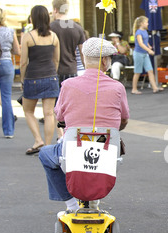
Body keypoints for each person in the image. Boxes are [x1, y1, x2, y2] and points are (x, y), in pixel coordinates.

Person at [39, 37, 130, 212]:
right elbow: (124, 119)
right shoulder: (117, 88)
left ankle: (71, 205)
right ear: (105, 61)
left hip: (74, 149)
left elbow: (59, 114)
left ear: (83, 57)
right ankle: (93, 202)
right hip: (107, 151)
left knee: (45, 154)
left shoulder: (68, 85)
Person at [20, 5, 60, 155]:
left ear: (33, 18)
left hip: (33, 77)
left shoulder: (28, 37)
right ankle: (48, 146)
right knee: (49, 113)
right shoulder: (54, 36)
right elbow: (56, 60)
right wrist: (52, 74)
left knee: (28, 110)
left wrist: (23, 79)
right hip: (50, 76)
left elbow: (23, 62)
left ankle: (38, 140)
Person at [0, 8, 20, 138]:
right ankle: (9, 131)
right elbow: (17, 50)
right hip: (6, 64)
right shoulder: (10, 31)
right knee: (6, 98)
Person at [50, 0, 86, 85]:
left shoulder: (50, 28)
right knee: (71, 98)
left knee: (56, 98)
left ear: (55, 10)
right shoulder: (78, 28)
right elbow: (83, 53)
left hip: (54, 70)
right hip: (71, 69)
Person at [132, 16, 162, 94]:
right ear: (142, 23)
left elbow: (145, 41)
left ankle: (155, 87)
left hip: (145, 54)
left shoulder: (145, 31)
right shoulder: (138, 32)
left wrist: (148, 45)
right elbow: (140, 43)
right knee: (137, 72)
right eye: (146, 22)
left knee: (150, 70)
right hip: (138, 53)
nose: (148, 24)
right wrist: (149, 50)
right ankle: (134, 89)